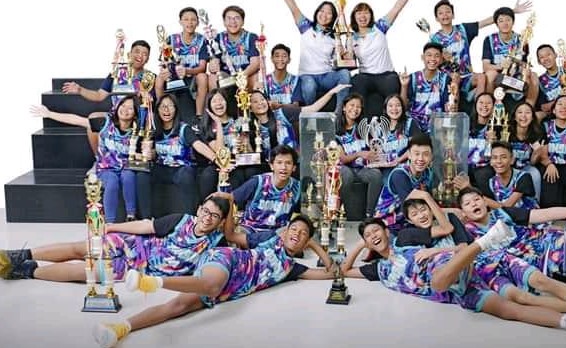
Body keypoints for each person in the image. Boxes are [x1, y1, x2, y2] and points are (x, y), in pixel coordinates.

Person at [342, 218, 566, 348]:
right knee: (509, 310)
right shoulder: (378, 269)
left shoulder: (405, 239)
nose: (373, 236)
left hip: (453, 264)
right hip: (455, 290)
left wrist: (435, 250)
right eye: (368, 235)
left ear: (387, 232)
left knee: (536, 284)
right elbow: (342, 271)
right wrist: (360, 246)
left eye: (376, 231)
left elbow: (446, 230)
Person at [92, 215, 335, 348]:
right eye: (294, 229)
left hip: (231, 289)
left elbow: (331, 272)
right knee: (211, 285)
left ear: (306, 243)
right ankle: (152, 281)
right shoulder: (268, 239)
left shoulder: (292, 268)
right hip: (227, 261)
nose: (297, 234)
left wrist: (314, 244)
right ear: (285, 231)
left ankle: (118, 328)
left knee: (178, 307)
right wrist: (298, 234)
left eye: (303, 234)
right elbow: (232, 236)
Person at [397, 194, 566, 324]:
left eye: (424, 210)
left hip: (491, 259)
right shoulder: (408, 236)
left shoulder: (452, 221)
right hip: (475, 274)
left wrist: (430, 201)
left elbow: (462, 245)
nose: (421, 215)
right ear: (408, 220)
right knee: (520, 299)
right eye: (414, 214)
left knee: (541, 281)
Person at [0, 195, 230, 281]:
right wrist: (111, 227)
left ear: (221, 221)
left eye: (215, 216)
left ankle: (26, 271)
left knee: (86, 272)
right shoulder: (181, 219)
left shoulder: (216, 243)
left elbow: (232, 244)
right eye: (206, 211)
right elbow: (146, 226)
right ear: (199, 209)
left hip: (142, 271)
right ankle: (22, 254)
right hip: (136, 246)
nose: (207, 218)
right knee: (83, 249)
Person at [31, 96, 140, 222]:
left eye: (130, 108)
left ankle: (131, 217)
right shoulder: (105, 122)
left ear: (135, 113)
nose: (125, 110)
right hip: (107, 168)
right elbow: (77, 120)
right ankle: (110, 223)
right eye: (123, 105)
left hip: (126, 167)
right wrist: (49, 114)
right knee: (112, 181)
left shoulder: (138, 131)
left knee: (129, 176)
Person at [270, 0, 350, 112]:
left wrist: (342, 52)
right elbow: (294, 8)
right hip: (307, 75)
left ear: (333, 18)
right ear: (317, 12)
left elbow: (338, 61)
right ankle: (310, 115)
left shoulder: (334, 37)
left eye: (329, 13)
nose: (324, 15)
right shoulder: (306, 27)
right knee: (309, 85)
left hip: (326, 75)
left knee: (344, 73)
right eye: (322, 11)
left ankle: (339, 113)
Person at [430, 0, 532, 109]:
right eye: (441, 13)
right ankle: (454, 108)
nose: (445, 15)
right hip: (448, 76)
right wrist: (443, 58)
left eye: (448, 11)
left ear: (453, 15)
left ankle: (478, 110)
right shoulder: (435, 38)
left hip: (467, 75)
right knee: (457, 81)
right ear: (436, 18)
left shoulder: (463, 29)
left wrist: (512, 11)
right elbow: (433, 62)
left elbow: (487, 21)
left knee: (482, 77)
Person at [349, 0, 421, 117]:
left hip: (385, 75)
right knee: (357, 82)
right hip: (365, 76)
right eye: (359, 13)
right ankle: (359, 124)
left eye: (366, 12)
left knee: (392, 83)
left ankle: (395, 124)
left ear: (371, 15)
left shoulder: (379, 28)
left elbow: (397, 8)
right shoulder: (351, 38)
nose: (363, 16)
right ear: (354, 17)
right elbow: (349, 61)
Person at [136, 94, 217, 218]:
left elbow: (198, 145)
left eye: (170, 106)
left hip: (181, 169)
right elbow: (147, 151)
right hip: (161, 168)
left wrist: (216, 159)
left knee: (187, 173)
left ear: (176, 109)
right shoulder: (154, 129)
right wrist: (149, 153)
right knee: (142, 175)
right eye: (163, 106)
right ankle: (145, 219)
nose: (166, 110)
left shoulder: (183, 129)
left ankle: (190, 218)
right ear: (158, 110)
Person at [224, 145, 301, 249]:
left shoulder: (297, 188)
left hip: (276, 233)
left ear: (294, 167)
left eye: (288, 163)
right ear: (271, 165)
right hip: (249, 231)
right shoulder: (258, 182)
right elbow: (231, 198)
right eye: (279, 163)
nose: (283, 167)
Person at [62, 40, 156, 108]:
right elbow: (99, 96)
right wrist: (80, 90)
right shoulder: (116, 74)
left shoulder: (151, 77)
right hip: (118, 117)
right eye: (137, 52)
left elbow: (157, 101)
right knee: (93, 118)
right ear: (129, 54)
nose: (140, 56)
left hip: (141, 119)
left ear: (147, 59)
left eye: (144, 54)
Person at [154, 7, 209, 119]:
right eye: (186, 19)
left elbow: (202, 67)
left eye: (193, 19)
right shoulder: (171, 39)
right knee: (159, 79)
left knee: (203, 77)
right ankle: (160, 114)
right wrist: (166, 71)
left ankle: (199, 116)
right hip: (174, 78)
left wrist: (187, 71)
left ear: (198, 22)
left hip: (192, 77)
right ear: (180, 22)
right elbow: (165, 62)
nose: (190, 22)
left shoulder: (202, 40)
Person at [336, 93, 384, 218]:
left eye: (358, 107)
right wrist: (359, 154)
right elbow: (342, 158)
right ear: (344, 108)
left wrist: (375, 153)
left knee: (376, 174)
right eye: (352, 105)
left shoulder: (364, 128)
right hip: (345, 168)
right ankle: (340, 212)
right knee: (346, 174)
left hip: (362, 169)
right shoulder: (336, 131)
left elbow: (374, 147)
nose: (355, 109)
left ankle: (370, 214)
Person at [481, 7, 539, 110]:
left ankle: (528, 109)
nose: (505, 23)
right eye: (501, 21)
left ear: (513, 22)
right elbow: (485, 66)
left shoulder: (522, 39)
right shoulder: (489, 40)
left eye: (508, 20)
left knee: (533, 75)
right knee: (490, 74)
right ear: (496, 24)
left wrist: (520, 65)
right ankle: (490, 109)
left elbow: (524, 64)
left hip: (516, 77)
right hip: (498, 76)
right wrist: (500, 66)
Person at [374, 133, 434, 230]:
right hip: (390, 225)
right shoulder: (399, 174)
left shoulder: (427, 173)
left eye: (426, 154)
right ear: (409, 155)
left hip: (416, 219)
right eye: (416, 154)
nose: (421, 159)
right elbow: (410, 209)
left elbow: (430, 202)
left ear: (431, 156)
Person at [399, 42, 452, 133]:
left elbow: (448, 107)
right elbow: (403, 106)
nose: (432, 59)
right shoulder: (413, 77)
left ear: (441, 59)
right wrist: (404, 86)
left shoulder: (445, 79)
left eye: (436, 56)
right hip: (415, 122)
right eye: (429, 55)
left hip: (437, 122)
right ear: (422, 57)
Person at [208, 5, 260, 90]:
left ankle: (251, 98)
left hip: (245, 74)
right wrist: (212, 66)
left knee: (255, 75)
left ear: (243, 22)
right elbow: (214, 63)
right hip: (226, 77)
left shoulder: (251, 37)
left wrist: (241, 76)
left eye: (237, 18)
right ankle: (216, 98)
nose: (233, 21)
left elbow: (255, 63)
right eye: (229, 18)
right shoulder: (217, 38)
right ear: (224, 22)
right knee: (212, 77)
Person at [508, 101, 547, 200]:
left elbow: (532, 162)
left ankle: (535, 203)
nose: (524, 116)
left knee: (534, 173)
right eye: (520, 112)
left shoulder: (536, 134)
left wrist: (536, 154)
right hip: (509, 168)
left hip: (526, 167)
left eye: (528, 112)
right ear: (514, 116)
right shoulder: (506, 133)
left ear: (532, 117)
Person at [378, 94, 422, 175]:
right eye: (390, 106)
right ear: (385, 109)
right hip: (385, 167)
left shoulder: (410, 123)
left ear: (402, 108)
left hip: (405, 167)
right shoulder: (380, 128)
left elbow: (417, 146)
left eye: (398, 105)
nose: (394, 109)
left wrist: (398, 160)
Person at [467, 92, 495, 187]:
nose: (484, 106)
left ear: (494, 107)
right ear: (475, 105)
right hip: (465, 165)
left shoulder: (498, 128)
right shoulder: (466, 123)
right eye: (481, 102)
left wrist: (493, 142)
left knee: (484, 174)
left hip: (484, 167)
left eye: (488, 103)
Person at [264, 43, 303, 110]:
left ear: (289, 60)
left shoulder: (295, 80)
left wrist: (279, 106)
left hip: (289, 115)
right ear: (272, 59)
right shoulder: (265, 80)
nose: (280, 59)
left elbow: (296, 106)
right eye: (277, 56)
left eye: (284, 56)